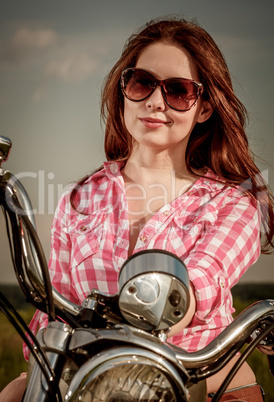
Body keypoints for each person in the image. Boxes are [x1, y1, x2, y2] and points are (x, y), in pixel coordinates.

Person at [1, 16, 273, 402]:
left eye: (178, 91)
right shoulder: (78, 199)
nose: (156, 101)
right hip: (89, 379)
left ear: (205, 108)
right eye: (142, 82)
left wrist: (168, 302)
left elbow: (200, 285)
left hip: (197, 377)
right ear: (124, 90)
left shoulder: (233, 205)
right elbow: (53, 305)